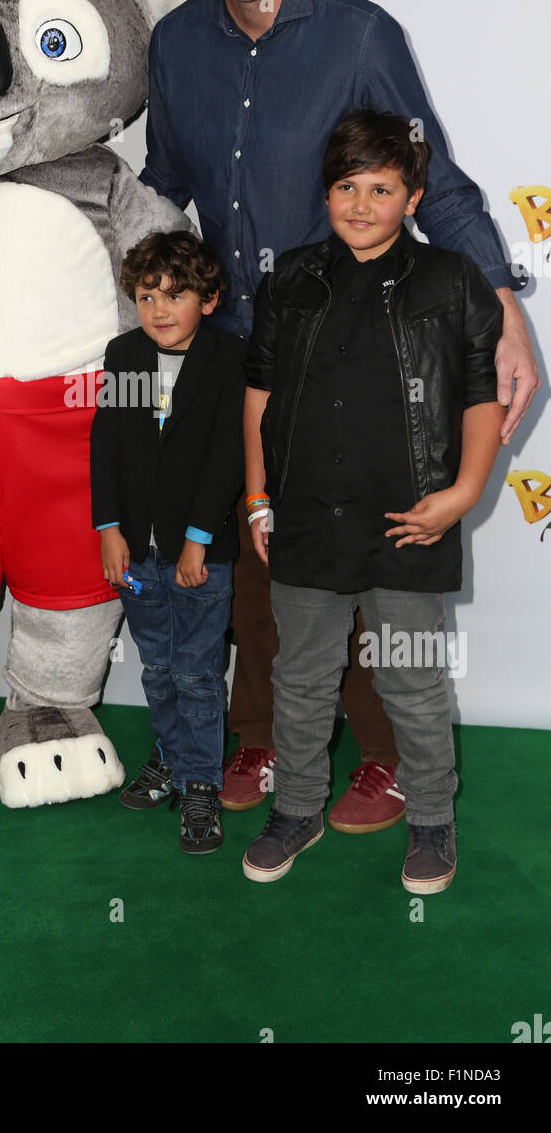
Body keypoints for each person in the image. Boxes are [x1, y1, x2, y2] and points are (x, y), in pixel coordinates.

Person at [140, 0, 539, 825]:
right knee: (254, 561)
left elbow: (434, 183)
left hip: (355, 348)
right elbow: (158, 192)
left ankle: (391, 756)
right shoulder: (175, 43)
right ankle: (272, 739)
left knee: (356, 556)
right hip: (231, 345)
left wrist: (499, 307)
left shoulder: (360, 36)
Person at [242, 109, 504, 892]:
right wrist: (258, 500)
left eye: (381, 188)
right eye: (346, 186)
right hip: (305, 518)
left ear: (413, 197)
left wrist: (460, 496)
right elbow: (258, 397)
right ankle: (295, 809)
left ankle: (432, 823)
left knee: (413, 684)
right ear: (327, 192)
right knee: (301, 681)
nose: (361, 203)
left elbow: (481, 402)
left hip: (407, 523)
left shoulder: (451, 281)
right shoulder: (289, 277)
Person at [90, 232, 245, 854]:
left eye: (175, 295)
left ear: (209, 300)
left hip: (200, 552)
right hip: (135, 552)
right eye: (147, 294)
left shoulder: (231, 358)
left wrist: (197, 541)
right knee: (158, 666)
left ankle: (202, 783)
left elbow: (227, 457)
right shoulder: (123, 354)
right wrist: (108, 529)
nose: (158, 308)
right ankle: (171, 756)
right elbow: (105, 445)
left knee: (199, 673)